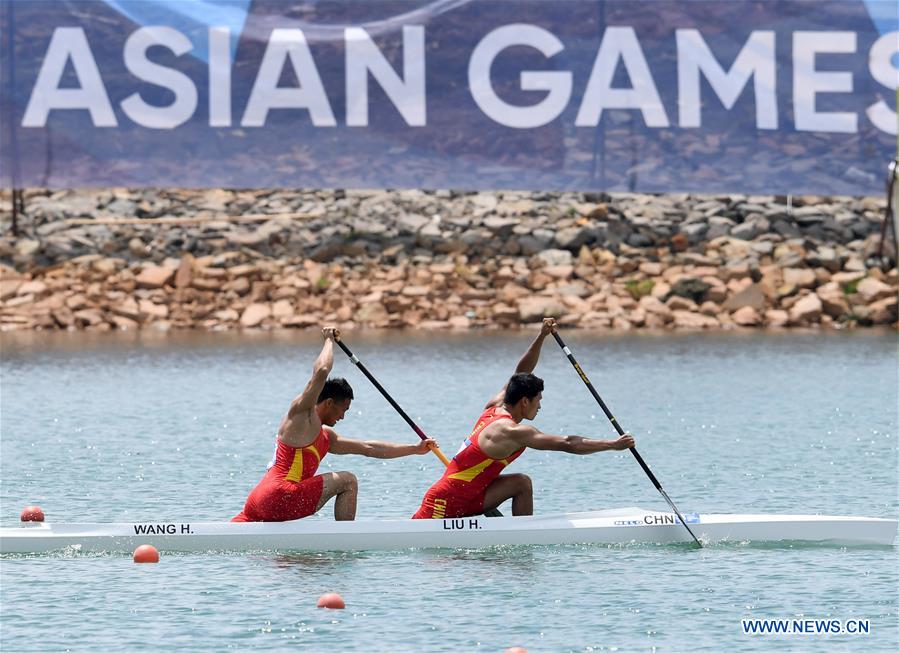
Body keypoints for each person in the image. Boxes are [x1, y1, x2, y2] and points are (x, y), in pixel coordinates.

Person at [412, 318, 635, 519]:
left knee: (521, 483)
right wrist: (612, 445)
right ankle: (521, 534)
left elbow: (520, 374)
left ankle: (523, 536)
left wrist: (541, 336)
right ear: (525, 402)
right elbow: (567, 443)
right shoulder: (511, 431)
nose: (540, 406)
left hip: (471, 496)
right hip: (444, 502)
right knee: (443, 563)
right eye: (538, 400)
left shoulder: (495, 406)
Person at [234, 327, 436, 522]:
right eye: (343, 410)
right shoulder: (303, 415)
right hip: (281, 495)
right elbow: (321, 371)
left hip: (257, 501)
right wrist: (329, 340)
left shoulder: (326, 437)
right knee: (348, 481)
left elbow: (369, 448)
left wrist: (415, 449)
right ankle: (345, 542)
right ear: (329, 403)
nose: (343, 417)